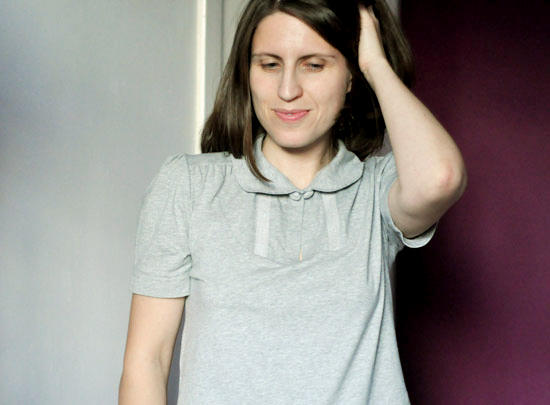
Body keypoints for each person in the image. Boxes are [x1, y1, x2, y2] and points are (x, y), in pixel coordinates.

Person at [119, 0, 467, 403]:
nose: (287, 91)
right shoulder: (189, 186)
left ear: (351, 76)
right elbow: (147, 362)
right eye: (269, 65)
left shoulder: (375, 191)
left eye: (313, 65)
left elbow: (440, 178)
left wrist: (375, 64)